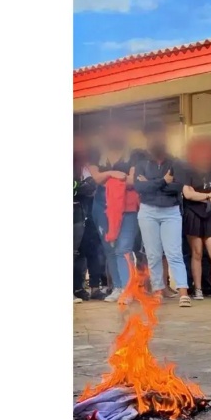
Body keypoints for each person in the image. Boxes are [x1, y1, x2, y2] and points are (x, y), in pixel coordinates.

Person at [133, 121, 191, 307]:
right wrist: (164, 181)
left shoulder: (176, 163)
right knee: (153, 254)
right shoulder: (141, 164)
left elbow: (178, 187)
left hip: (171, 212)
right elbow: (139, 188)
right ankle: (157, 291)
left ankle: (183, 292)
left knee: (174, 253)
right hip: (147, 212)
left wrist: (152, 183)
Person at [87, 118, 141, 303]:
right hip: (102, 207)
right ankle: (117, 287)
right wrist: (112, 174)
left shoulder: (134, 155)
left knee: (123, 248)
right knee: (109, 248)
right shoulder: (96, 154)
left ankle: (128, 289)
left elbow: (132, 181)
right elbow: (96, 178)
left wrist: (107, 178)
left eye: (118, 130)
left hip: (127, 207)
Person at [182, 138, 211, 302]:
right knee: (196, 253)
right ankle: (198, 289)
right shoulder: (188, 172)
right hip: (192, 215)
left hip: (210, 215)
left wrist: (199, 196)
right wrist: (209, 196)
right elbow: (187, 195)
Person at [73, 135, 97, 303]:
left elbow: (90, 187)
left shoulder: (82, 167)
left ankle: (78, 287)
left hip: (78, 212)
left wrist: (79, 188)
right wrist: (79, 187)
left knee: (79, 252)